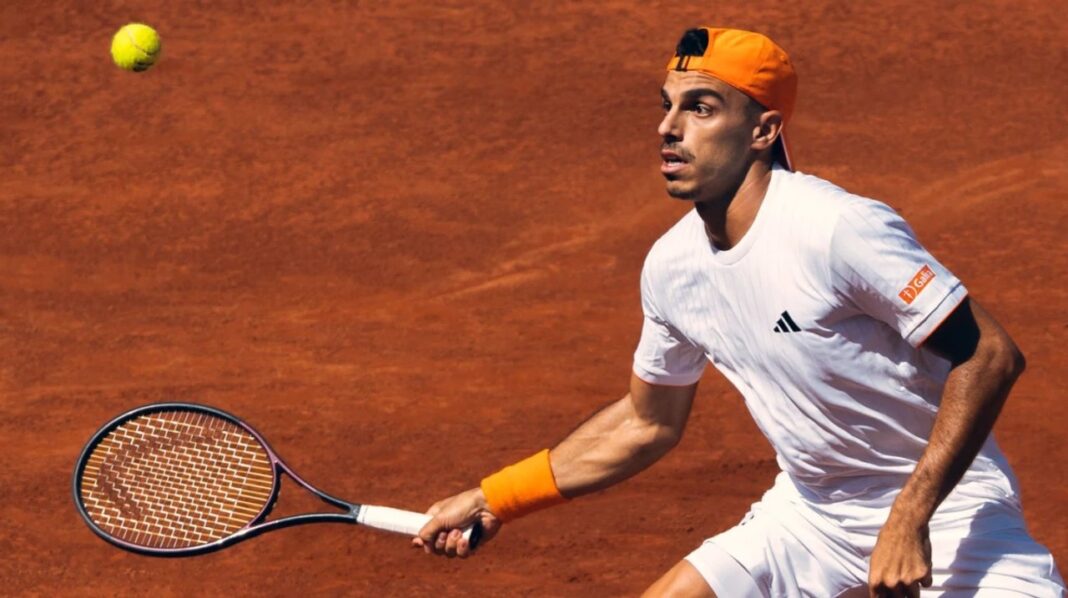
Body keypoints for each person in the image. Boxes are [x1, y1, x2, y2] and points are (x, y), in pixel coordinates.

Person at [411, 27, 1065, 597]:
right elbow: (647, 420)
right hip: (809, 514)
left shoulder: (836, 229)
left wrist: (908, 517)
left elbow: (990, 353)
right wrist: (497, 498)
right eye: (667, 107)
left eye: (701, 108)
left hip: (946, 507)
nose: (668, 128)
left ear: (764, 129)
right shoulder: (673, 268)